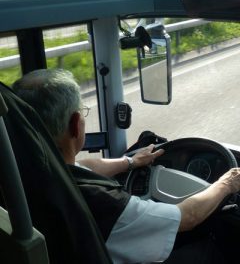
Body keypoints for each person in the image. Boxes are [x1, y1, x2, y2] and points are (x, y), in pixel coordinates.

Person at [12, 68, 240, 264]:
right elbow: (188, 216)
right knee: (211, 250)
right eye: (82, 113)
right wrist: (228, 182)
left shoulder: (23, 174)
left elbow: (85, 165)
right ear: (75, 125)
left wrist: (129, 162)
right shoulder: (104, 203)